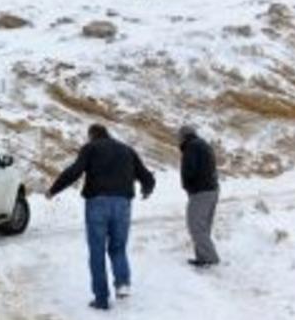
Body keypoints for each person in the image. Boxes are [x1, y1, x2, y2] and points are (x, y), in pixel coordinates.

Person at [46, 124, 155, 310]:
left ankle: (101, 299)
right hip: (122, 203)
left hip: (97, 203)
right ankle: (122, 283)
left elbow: (74, 171)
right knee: (118, 247)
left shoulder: (90, 148)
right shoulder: (127, 150)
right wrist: (147, 189)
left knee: (97, 251)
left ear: (92, 135)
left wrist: (53, 190)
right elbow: (146, 175)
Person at [178, 125, 220, 267]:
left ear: (183, 137)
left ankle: (210, 258)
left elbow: (190, 170)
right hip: (211, 189)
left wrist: (188, 186)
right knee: (203, 226)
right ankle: (203, 257)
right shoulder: (203, 145)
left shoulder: (191, 147)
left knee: (195, 225)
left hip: (201, 191)